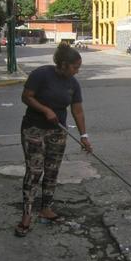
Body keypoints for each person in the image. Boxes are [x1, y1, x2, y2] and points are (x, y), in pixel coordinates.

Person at [15, 43, 92, 237]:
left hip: (58, 132)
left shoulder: (73, 84)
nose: (77, 71)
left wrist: (84, 136)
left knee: (52, 170)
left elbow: (77, 110)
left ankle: (46, 208)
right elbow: (26, 97)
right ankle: (26, 215)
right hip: (33, 128)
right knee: (34, 171)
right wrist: (45, 109)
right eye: (75, 67)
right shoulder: (41, 74)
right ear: (64, 64)